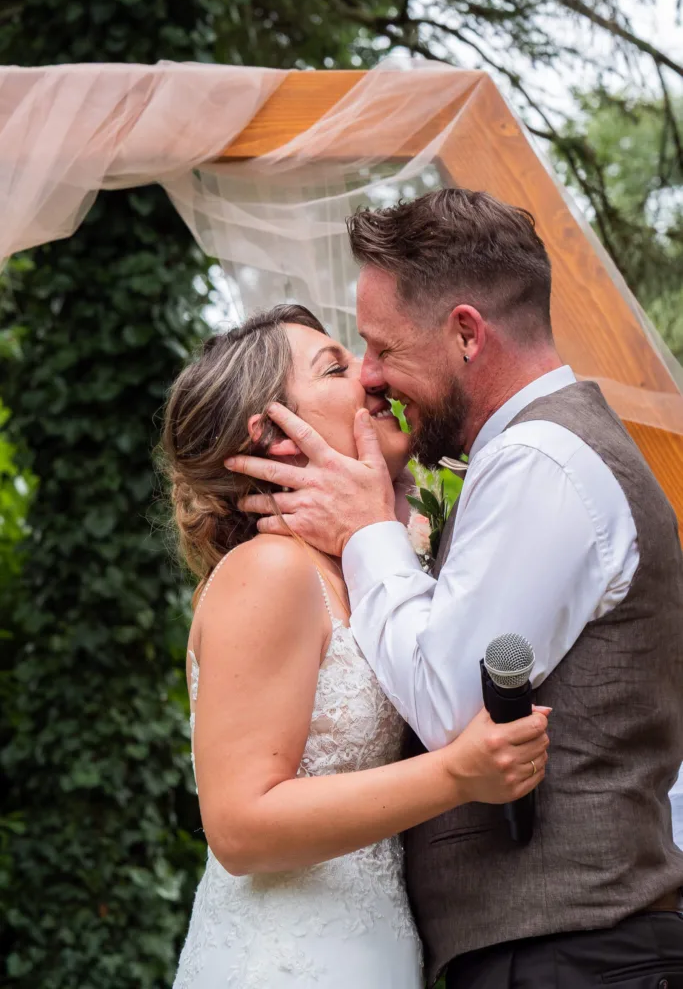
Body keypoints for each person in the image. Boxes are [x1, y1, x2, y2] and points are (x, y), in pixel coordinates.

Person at [229, 190, 683, 988]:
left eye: (380, 349)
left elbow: (448, 705)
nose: (373, 377)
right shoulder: (517, 460)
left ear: (467, 333)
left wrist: (370, 528)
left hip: (575, 955)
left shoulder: (542, 458)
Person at [163, 304, 549, 989]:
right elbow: (239, 827)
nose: (373, 377)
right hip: (284, 962)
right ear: (274, 434)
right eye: (336, 368)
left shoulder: (368, 568)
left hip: (377, 950)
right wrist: (457, 774)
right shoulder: (270, 572)